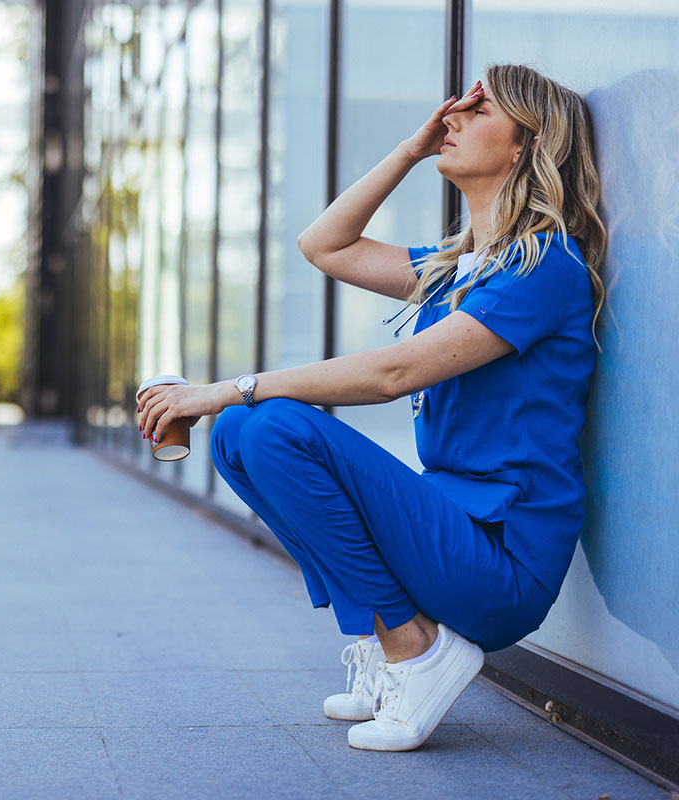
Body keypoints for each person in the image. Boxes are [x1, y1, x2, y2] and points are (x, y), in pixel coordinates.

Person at [136, 63, 606, 752]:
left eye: (479, 112)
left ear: (524, 147)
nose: (454, 118)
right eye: (456, 109)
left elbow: (393, 372)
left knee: (268, 424)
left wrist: (225, 387)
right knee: (240, 433)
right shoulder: (456, 270)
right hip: (450, 530)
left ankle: (414, 650)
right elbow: (324, 245)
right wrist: (411, 151)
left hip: (501, 561)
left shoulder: (543, 267)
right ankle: (384, 641)